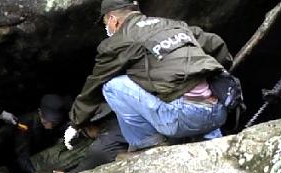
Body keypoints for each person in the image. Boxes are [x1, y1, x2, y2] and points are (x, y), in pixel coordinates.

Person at [65, 0, 233, 152]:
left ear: (113, 20)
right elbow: (216, 43)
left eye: (104, 23)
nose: (106, 28)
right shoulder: (172, 24)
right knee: (168, 80)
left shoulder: (117, 43)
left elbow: (96, 82)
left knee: (112, 86)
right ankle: (207, 136)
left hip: (183, 118)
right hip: (218, 111)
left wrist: (76, 123)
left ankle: (148, 146)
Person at [54, 103, 128, 173]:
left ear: (90, 128)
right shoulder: (122, 112)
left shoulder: (100, 148)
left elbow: (80, 170)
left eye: (83, 131)